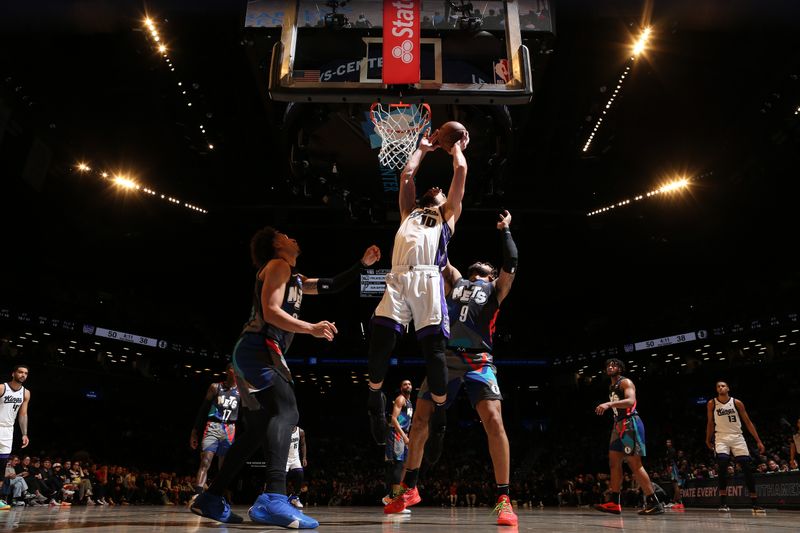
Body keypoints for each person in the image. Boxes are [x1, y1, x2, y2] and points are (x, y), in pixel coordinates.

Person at [190, 226, 380, 528]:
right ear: (275, 245)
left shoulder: (296, 278)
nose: (293, 237)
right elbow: (271, 311)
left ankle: (211, 497)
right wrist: (312, 328)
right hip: (259, 347)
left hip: (252, 352)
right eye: (284, 235)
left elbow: (329, 286)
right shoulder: (278, 266)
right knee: (287, 410)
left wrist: (362, 266)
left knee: (258, 428)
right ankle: (274, 498)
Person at [384, 211, 519, 527]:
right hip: (445, 358)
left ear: (488, 274)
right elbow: (440, 256)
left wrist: (506, 230)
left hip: (479, 361)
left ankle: (503, 498)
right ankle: (409, 487)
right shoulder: (456, 282)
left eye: (483, 267)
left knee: (494, 419)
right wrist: (430, 221)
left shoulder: (496, 288)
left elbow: (511, 262)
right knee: (419, 419)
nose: (479, 268)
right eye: (477, 267)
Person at [367, 127, 470, 447]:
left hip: (428, 278)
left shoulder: (448, 215)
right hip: (398, 276)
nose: (436, 187)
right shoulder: (408, 212)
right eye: (433, 187)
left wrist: (457, 149)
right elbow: (407, 175)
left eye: (440, 189)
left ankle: (439, 415)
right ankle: (373, 400)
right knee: (381, 340)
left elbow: (461, 171)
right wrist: (423, 149)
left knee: (434, 351)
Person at [593, 359, 665, 515]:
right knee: (613, 462)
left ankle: (654, 502)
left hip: (630, 424)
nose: (610, 367)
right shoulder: (612, 386)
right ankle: (614, 502)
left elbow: (630, 401)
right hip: (618, 425)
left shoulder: (625, 382)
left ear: (620, 368)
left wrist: (608, 404)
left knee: (634, 464)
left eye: (614, 365)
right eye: (608, 366)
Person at [705, 381, 766, 514]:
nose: (720, 387)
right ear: (716, 390)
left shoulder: (737, 403)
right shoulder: (712, 403)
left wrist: (758, 441)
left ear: (728, 388)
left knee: (746, 467)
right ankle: (723, 502)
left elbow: (748, 422)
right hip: (721, 437)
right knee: (722, 464)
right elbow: (710, 422)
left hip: (737, 437)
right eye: (718, 386)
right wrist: (708, 439)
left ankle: (755, 503)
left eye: (723, 385)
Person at [189, 363, 240, 496]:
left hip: (229, 429)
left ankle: (217, 495)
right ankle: (197, 494)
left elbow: (247, 413)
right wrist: (195, 431)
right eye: (233, 367)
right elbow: (203, 409)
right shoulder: (215, 387)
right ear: (228, 370)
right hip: (213, 426)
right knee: (205, 460)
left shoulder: (241, 391)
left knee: (223, 467)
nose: (236, 370)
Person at [0, 365, 30, 511]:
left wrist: (24, 433)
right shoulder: (2, 388)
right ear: (13, 373)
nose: (23, 374)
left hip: (8, 430)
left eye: (25, 373)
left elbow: (23, 414)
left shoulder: (26, 393)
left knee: (2, 466)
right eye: (20, 372)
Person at [382, 380, 413, 508]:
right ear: (401, 388)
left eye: (410, 384)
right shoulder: (400, 399)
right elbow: (394, 419)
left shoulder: (410, 403)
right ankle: (392, 499)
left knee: (405, 466)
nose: (408, 386)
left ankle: (393, 497)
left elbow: (407, 421)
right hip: (397, 434)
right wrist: (404, 436)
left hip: (404, 434)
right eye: (405, 384)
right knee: (399, 465)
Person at [286, 426, 307, 508]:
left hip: (295, 458)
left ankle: (294, 497)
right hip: (285, 458)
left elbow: (303, 444)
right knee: (282, 477)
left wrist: (304, 457)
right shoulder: (284, 429)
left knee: (300, 474)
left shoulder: (300, 431)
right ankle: (282, 498)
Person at [665, 439, 684, 509]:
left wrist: (670, 467)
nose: (667, 443)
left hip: (673, 468)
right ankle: (674, 501)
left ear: (671, 443)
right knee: (674, 484)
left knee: (675, 484)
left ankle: (678, 502)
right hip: (672, 467)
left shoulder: (671, 450)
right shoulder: (669, 450)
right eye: (667, 442)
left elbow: (671, 460)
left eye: (669, 442)